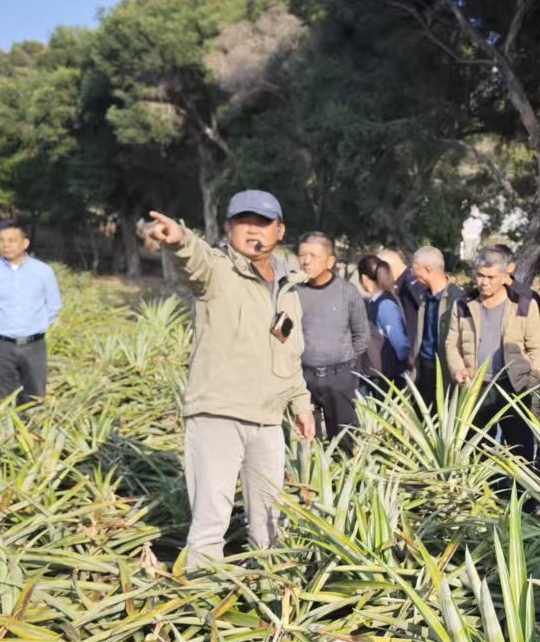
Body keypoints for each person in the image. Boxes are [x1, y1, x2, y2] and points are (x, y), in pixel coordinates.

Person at [143, 191, 316, 569]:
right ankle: (202, 598)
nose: (253, 230)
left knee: (270, 525)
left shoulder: (288, 287)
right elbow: (195, 260)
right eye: (243, 222)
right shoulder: (218, 271)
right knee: (211, 522)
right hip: (218, 414)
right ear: (228, 228)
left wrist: (300, 404)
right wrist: (180, 240)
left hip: (268, 420)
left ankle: (268, 594)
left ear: (280, 230)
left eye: (263, 223)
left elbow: (290, 351)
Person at [450, 246, 540, 453]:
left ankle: (520, 476)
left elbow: (537, 348)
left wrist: (531, 382)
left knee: (520, 450)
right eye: (480, 275)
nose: (484, 282)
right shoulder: (464, 305)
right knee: (474, 449)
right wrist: (459, 370)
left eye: (491, 277)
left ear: (504, 276)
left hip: (514, 387)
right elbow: (452, 345)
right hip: (477, 388)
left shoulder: (523, 304)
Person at [295, 232, 370, 447]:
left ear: (330, 261)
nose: (306, 261)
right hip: (302, 379)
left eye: (313, 255)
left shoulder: (347, 292)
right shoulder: (293, 292)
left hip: (340, 378)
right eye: (302, 254)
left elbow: (361, 335)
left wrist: (345, 365)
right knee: (308, 442)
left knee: (345, 440)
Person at [0, 222, 62, 403]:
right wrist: (1, 326)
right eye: (1, 240)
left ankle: (31, 422)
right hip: (0, 345)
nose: (5, 245)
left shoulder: (43, 271)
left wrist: (35, 326)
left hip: (34, 346)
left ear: (25, 243)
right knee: (3, 399)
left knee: (34, 398)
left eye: (11, 240)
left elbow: (54, 306)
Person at [408, 246, 464, 397]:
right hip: (424, 369)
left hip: (446, 373)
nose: (412, 273)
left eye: (415, 268)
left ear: (428, 269)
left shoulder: (456, 299)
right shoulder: (424, 297)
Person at [358, 253, 412, 391]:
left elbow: (400, 344)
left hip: (386, 380)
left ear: (364, 279)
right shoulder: (375, 302)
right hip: (376, 376)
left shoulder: (385, 305)